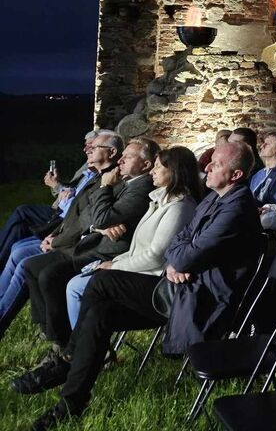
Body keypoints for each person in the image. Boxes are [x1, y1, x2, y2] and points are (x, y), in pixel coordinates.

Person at [19, 139, 262, 429]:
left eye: (217, 164)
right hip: (179, 286)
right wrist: (176, 261)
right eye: (210, 161)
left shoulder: (236, 209)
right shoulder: (214, 197)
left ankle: (67, 359)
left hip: (199, 299)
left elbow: (183, 252)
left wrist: (178, 260)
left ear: (235, 175)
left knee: (101, 282)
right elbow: (180, 244)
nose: (207, 166)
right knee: (100, 313)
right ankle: (71, 402)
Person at [22, 138, 158, 349]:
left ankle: (66, 343)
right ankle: (51, 331)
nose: (121, 161)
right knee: (31, 266)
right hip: (92, 241)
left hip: (107, 251)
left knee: (51, 275)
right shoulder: (124, 180)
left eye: (128, 157)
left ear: (146, 165)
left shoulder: (139, 187)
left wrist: (104, 189)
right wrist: (98, 224)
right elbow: (88, 212)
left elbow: (102, 216)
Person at [59, 146, 200, 336]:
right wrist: (114, 262)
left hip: (151, 279)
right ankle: (84, 344)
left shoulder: (179, 208)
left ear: (174, 171)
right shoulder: (159, 202)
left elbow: (154, 257)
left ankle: (79, 346)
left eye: (157, 167)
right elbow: (133, 245)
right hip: (135, 269)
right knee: (77, 281)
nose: (152, 172)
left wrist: (115, 266)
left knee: (76, 286)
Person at [0, 131, 123, 337]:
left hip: (80, 246)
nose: (88, 150)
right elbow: (73, 212)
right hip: (64, 233)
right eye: (88, 146)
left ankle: (48, 331)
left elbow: (87, 219)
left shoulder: (111, 181)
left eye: (94, 147)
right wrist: (55, 234)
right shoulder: (94, 175)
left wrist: (57, 240)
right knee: (19, 249)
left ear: (112, 152)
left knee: (24, 261)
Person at [0, 131, 101, 269]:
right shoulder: (87, 166)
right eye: (85, 145)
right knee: (18, 229)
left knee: (23, 211)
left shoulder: (100, 173)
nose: (85, 149)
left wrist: (56, 186)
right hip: (61, 209)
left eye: (90, 146)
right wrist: (58, 185)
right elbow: (71, 191)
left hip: (63, 217)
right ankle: (4, 264)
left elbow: (78, 201)